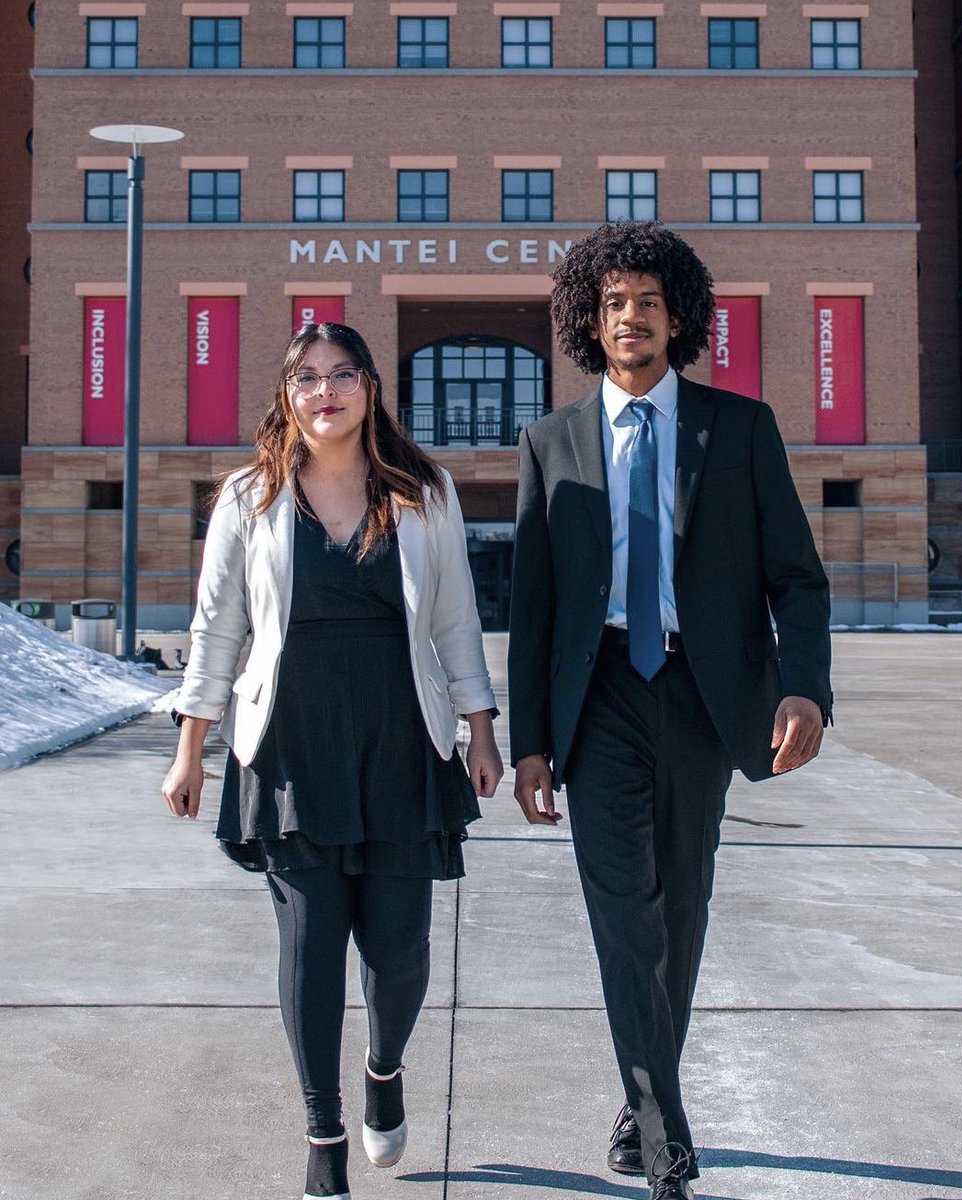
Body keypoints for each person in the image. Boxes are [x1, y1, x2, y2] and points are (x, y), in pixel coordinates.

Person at [507, 222, 832, 1200]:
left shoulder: (737, 430)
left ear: (677, 316)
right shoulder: (549, 443)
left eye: (647, 302)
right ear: (587, 321)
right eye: (611, 304)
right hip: (596, 692)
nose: (630, 318)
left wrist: (804, 687)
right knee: (621, 914)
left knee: (677, 908)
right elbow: (530, 612)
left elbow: (796, 580)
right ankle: (661, 1134)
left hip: (702, 694)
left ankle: (642, 1098)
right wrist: (528, 744)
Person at [162, 322, 503, 1200]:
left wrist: (482, 726)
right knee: (311, 950)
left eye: (341, 375)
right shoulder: (248, 495)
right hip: (290, 747)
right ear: (287, 393)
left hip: (400, 738)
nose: (325, 391)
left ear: (370, 388)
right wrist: (190, 749)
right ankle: (323, 1135)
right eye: (307, 378)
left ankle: (383, 1070)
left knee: (401, 954)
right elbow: (220, 629)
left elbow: (455, 619)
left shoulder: (423, 489)